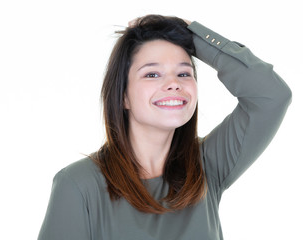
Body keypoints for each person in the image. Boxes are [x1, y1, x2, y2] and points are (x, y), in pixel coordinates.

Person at [38, 15, 292, 239]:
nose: (173, 83)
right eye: (152, 74)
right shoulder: (78, 184)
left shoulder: (207, 166)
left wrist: (189, 32)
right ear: (122, 96)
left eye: (184, 73)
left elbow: (271, 95)